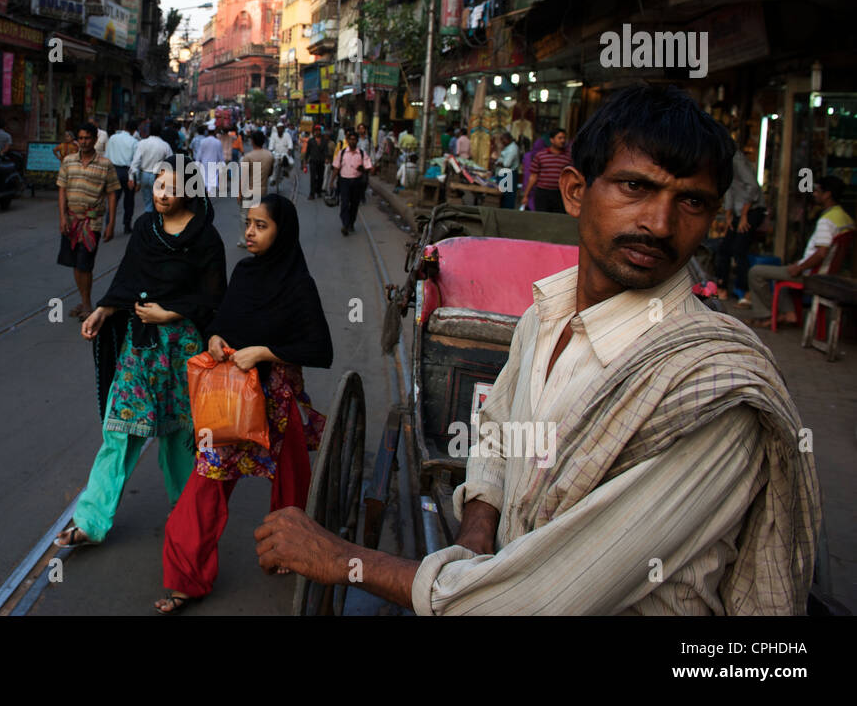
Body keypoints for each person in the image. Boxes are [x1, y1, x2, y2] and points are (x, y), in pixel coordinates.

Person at [254, 84, 821, 615]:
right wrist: (480, 522)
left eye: (691, 202)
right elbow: (498, 427)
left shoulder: (711, 392)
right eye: (635, 187)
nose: (659, 222)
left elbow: (533, 603)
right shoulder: (545, 315)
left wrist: (344, 559)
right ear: (576, 192)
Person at [157, 194, 333, 612]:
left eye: (261, 226)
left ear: (282, 231)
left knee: (290, 481)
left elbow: (319, 348)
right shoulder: (245, 271)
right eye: (248, 224)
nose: (250, 233)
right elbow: (223, 320)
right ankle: (186, 578)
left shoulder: (298, 284)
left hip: (276, 402)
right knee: (206, 484)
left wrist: (265, 352)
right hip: (232, 400)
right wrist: (215, 338)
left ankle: (289, 549)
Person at [56, 164, 227, 549]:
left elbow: (214, 298)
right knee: (118, 431)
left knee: (180, 435)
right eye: (159, 185)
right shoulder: (146, 230)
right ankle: (90, 520)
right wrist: (103, 309)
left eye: (172, 187)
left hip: (183, 349)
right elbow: (128, 279)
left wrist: (171, 312)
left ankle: (185, 515)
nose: (162, 193)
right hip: (140, 348)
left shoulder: (206, 239)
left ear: (190, 192)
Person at [746, 175, 853, 327]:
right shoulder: (845, 218)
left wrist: (800, 267)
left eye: (817, 191)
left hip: (815, 275)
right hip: (828, 273)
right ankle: (789, 314)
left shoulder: (827, 220)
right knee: (784, 269)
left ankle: (768, 315)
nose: (815, 194)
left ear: (827, 194)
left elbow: (822, 253)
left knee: (756, 272)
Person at [57, 122, 120, 319]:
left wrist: (111, 224)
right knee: (76, 264)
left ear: (95, 140)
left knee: (85, 264)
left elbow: (111, 194)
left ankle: (86, 304)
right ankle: (85, 302)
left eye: (87, 138)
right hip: (71, 222)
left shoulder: (105, 164)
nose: (84, 142)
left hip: (92, 223)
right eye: (81, 138)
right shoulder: (68, 161)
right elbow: (62, 190)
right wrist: (62, 217)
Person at [715, 142, 766, 300]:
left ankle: (746, 292)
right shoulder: (725, 163)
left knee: (739, 250)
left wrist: (744, 215)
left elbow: (753, 187)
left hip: (752, 211)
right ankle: (722, 288)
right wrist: (729, 215)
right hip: (739, 212)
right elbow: (729, 190)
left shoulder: (737, 160)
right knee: (724, 249)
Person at [237, 130, 275, 248]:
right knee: (260, 217)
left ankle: (245, 240)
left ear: (252, 141)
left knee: (245, 217)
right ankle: (260, 239)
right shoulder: (269, 155)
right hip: (262, 190)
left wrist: (239, 193)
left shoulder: (248, 157)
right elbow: (270, 172)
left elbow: (243, 178)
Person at [333, 130, 373, 236]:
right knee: (344, 203)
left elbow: (369, 167)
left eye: (354, 139)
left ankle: (351, 223)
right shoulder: (342, 153)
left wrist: (363, 169)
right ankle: (345, 224)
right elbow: (336, 168)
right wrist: (331, 181)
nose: (352, 141)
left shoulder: (361, 153)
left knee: (354, 204)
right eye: (350, 139)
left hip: (357, 182)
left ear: (357, 141)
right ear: (347, 140)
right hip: (344, 181)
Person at [521, 128, 570, 213]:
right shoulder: (541, 155)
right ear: (552, 140)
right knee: (542, 219)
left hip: (560, 194)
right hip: (542, 194)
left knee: (557, 219)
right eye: (560, 138)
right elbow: (533, 176)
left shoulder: (568, 157)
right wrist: (526, 195)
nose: (563, 140)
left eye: (564, 138)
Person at [129, 123, 173, 213]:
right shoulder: (165, 145)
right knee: (158, 202)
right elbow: (170, 163)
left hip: (144, 175)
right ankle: (156, 223)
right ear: (160, 131)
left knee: (147, 202)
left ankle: (148, 221)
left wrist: (134, 179)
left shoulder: (142, 143)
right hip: (158, 176)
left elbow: (135, 162)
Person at [195, 120, 225, 197]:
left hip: (204, 163)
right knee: (212, 179)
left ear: (208, 131)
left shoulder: (203, 141)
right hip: (214, 163)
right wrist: (222, 163)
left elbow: (199, 154)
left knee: (205, 178)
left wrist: (197, 162)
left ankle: (207, 193)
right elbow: (220, 155)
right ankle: (209, 193)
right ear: (214, 131)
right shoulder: (217, 142)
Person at [496, 132, 521, 210]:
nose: (502, 142)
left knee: (508, 198)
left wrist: (497, 162)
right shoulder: (508, 147)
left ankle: (507, 214)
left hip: (509, 175)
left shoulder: (512, 149)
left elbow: (506, 164)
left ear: (508, 139)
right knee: (504, 196)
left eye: (503, 140)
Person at [305, 126, 330, 200]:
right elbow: (308, 151)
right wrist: (305, 161)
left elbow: (326, 151)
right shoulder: (311, 141)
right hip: (313, 161)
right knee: (312, 178)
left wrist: (327, 158)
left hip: (321, 161)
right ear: (314, 131)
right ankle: (312, 193)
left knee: (320, 177)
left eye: (319, 130)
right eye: (316, 130)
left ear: (320, 131)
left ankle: (318, 191)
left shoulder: (324, 141)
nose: (317, 132)